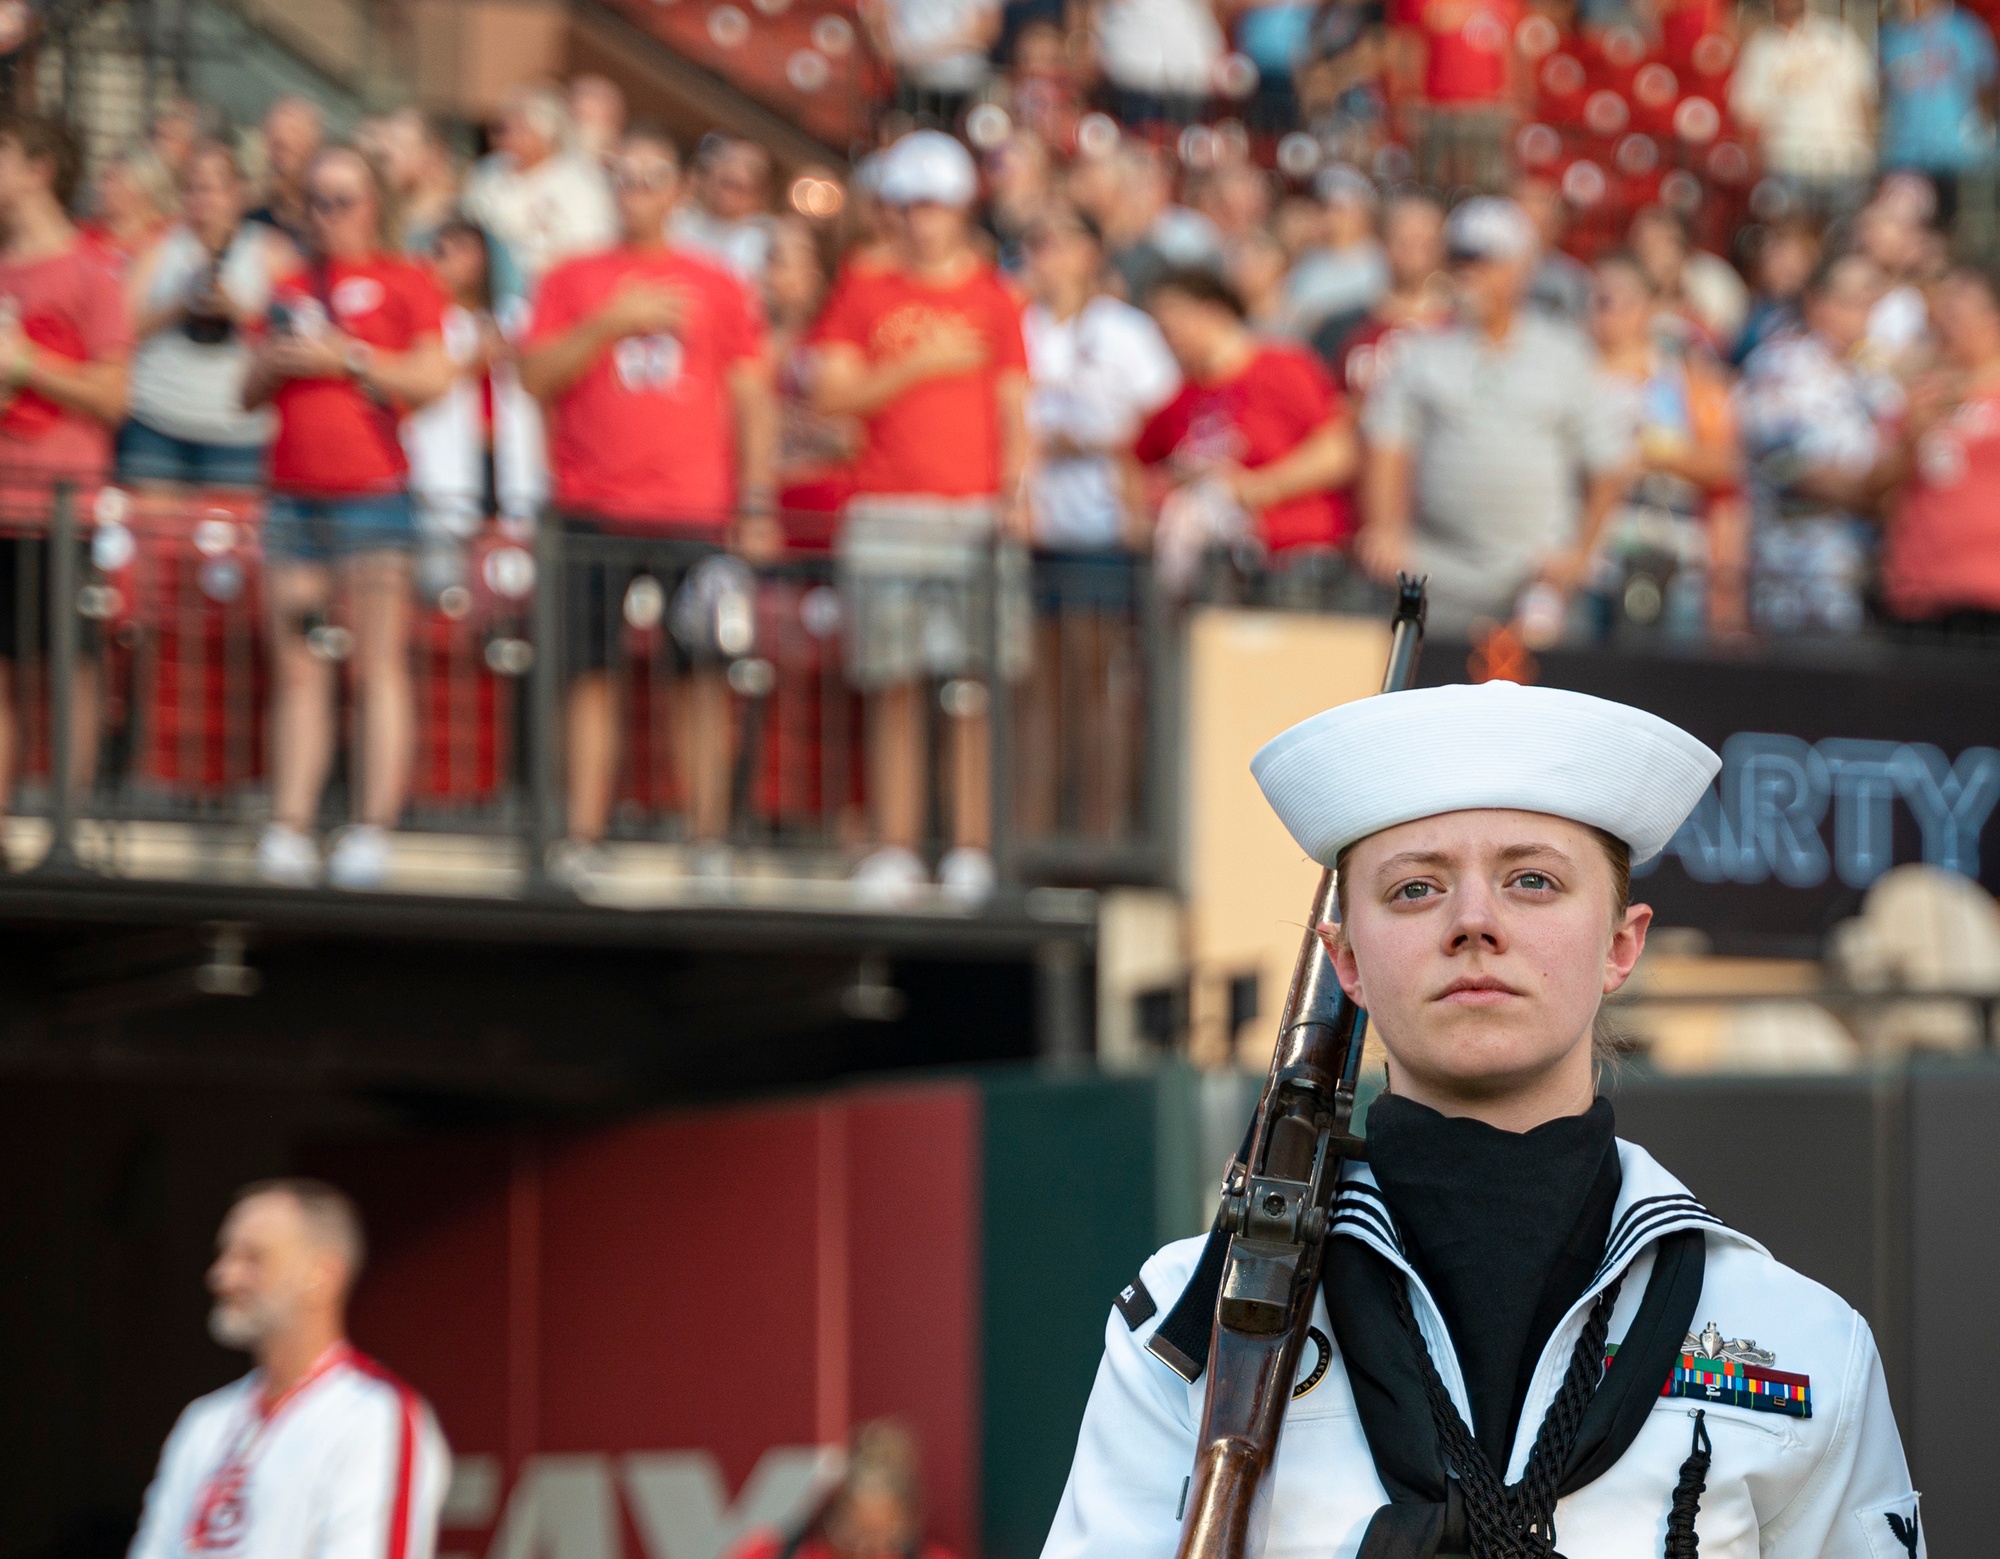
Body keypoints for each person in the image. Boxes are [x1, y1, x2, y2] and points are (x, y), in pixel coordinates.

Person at [1043, 679, 1921, 1559]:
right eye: (1416, 888)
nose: (1473, 922)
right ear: (1345, 959)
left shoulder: (1804, 1348)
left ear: (1623, 941)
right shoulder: (1191, 1328)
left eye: (1532, 880)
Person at [519, 125, 776, 882]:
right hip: (592, 506)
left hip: (694, 512)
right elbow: (535, 376)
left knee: (701, 676)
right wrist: (611, 323)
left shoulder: (719, 281)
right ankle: (583, 835)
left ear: (678, 189)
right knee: (588, 674)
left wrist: (754, 502)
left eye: (651, 177)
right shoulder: (571, 279)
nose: (636, 192)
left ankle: (706, 840)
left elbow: (752, 398)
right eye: (623, 179)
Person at [809, 130, 1030, 905]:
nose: (919, 222)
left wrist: (1015, 491)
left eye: (932, 206)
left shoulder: (993, 296)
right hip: (886, 506)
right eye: (907, 207)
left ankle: (971, 847)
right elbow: (832, 394)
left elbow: (1013, 404)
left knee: (972, 688)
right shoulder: (862, 292)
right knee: (893, 685)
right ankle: (897, 845)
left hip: (970, 510)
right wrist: (915, 367)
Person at [244, 146, 454, 889]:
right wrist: (277, 362)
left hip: (374, 494)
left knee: (377, 666)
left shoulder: (408, 280)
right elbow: (247, 392)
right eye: (320, 201)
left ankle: (371, 826)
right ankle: (290, 824)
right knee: (298, 669)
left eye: (346, 199)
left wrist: (350, 358)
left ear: (374, 205)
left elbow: (433, 379)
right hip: (293, 495)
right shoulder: (286, 287)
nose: (331, 215)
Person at [129, 1180, 451, 1559]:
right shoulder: (204, 1421)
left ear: (322, 1273)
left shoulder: (374, 1417)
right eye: (224, 1255)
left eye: (252, 1258)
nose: (222, 1277)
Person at [1357, 197, 1630, 637]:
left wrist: (1580, 553)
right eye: (1462, 259)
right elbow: (1388, 442)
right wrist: (1385, 529)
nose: (1471, 272)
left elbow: (1610, 463)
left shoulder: (1564, 354)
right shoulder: (1421, 351)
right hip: (1438, 570)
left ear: (1521, 267)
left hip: (1534, 577)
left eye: (1485, 260)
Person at [1019, 206, 1179, 839]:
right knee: (1032, 687)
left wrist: (1096, 445)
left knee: (1097, 682)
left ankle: (1098, 833)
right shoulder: (1020, 322)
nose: (1045, 257)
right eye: (1037, 243)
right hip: (1033, 523)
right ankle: (1033, 831)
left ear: (1089, 252)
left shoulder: (1126, 331)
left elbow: (1163, 417)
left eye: (1058, 242)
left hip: (1104, 526)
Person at [0, 111, 130, 863]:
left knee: (68, 667)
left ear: (40, 167)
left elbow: (115, 396)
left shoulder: (91, 269)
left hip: (62, 506)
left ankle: (67, 831)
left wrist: (27, 366)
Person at [1137, 267, 1360, 604]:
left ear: (1211, 312)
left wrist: (1256, 487)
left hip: (1297, 561)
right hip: (1219, 571)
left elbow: (1339, 452)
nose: (1168, 341)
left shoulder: (1283, 366)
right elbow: (1136, 460)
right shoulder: (1180, 398)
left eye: (1172, 328)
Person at [1734, 251, 1903, 635]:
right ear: (1817, 301)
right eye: (1853, 299)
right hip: (1800, 585)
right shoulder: (1781, 365)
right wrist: (1882, 494)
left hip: (1865, 582)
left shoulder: (1874, 379)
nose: (1865, 312)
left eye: (1871, 300)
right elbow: (1801, 474)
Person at [1584, 251, 1743, 640]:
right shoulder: (1573, 375)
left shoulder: (1684, 377)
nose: (1611, 312)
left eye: (1624, 300)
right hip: (1594, 558)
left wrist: (1651, 456)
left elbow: (1724, 462)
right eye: (1602, 300)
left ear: (1649, 306)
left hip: (1672, 550)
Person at [121, 141, 292, 488]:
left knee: (227, 539)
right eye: (193, 188)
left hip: (237, 432)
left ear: (237, 193)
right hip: (157, 420)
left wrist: (236, 309)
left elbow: (289, 332)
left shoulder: (271, 251)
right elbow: (122, 328)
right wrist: (178, 307)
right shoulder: (159, 247)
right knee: (154, 539)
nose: (203, 199)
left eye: (213, 188)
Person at [1878, 258, 2000, 641]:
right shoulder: (1921, 395)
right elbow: (1878, 488)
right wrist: (1912, 434)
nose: (1948, 321)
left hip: (1989, 592)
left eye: (1961, 308)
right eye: (1944, 308)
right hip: (1920, 591)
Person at [461, 85, 616, 304]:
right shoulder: (487, 174)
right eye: (503, 128)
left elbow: (591, 247)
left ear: (546, 135)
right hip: (490, 293)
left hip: (554, 294)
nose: (508, 137)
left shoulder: (581, 181)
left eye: (521, 129)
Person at [1728, 0, 1877, 217]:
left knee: (1845, 238)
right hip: (1788, 165)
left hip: (1844, 162)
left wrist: (1869, 154)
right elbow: (1748, 115)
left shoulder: (1837, 36)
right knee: (1794, 238)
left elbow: (1864, 97)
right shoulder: (1760, 49)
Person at [730, 1420, 956, 1559]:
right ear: (834, 1510)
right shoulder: (767, 1553)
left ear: (906, 1523)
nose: (865, 1549)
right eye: (856, 1533)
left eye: (880, 1536)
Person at [1879, 0, 1997, 221]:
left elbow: (1986, 83)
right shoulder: (1891, 36)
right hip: (1906, 158)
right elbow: (1881, 94)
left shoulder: (1964, 29)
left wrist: (1978, 131)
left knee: (1960, 228)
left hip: (1959, 157)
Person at [1393, 0, 1525, 192]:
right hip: (1436, 110)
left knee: (1489, 188)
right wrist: (1405, 97)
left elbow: (1514, 49)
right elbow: (1407, 43)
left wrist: (1516, 101)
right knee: (1433, 188)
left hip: (1488, 109)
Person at [1280, 163, 1388, 341]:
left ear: (1364, 213)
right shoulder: (1308, 262)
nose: (1331, 218)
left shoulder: (1382, 260)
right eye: (1326, 209)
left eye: (1340, 210)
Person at [859, 0, 1004, 126]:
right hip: (911, 83)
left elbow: (987, 31)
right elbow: (877, 23)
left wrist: (924, 54)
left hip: (963, 82)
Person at [669, 134, 777, 283]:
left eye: (751, 167)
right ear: (711, 174)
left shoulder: (766, 244)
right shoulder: (676, 218)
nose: (738, 170)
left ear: (760, 194)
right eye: (729, 161)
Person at [247, 96, 326, 246]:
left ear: (314, 143)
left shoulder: (326, 212)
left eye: (294, 131)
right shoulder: (252, 215)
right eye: (274, 134)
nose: (283, 139)